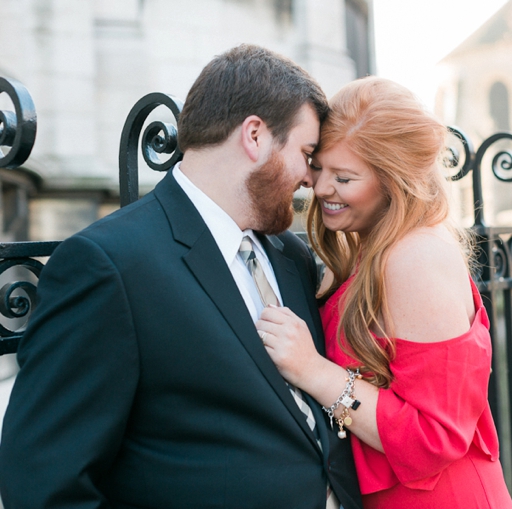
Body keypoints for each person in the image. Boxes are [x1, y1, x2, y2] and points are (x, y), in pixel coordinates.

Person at [0, 45, 361, 509]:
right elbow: (43, 483)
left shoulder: (289, 254)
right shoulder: (107, 264)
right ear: (254, 135)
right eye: (307, 154)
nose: (312, 179)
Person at [257, 77, 512, 508]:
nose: (320, 189)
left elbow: (436, 435)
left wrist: (311, 370)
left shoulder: (415, 257)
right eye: (318, 167)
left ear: (392, 180)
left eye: (344, 177)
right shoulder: (373, 246)